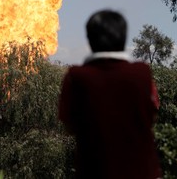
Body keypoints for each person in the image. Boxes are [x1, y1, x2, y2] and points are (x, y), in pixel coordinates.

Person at [58, 10, 162, 179]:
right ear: (123, 38)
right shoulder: (142, 74)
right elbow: (153, 115)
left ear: (90, 39)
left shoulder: (75, 77)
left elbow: (69, 125)